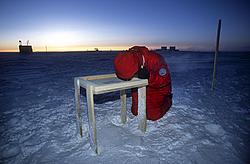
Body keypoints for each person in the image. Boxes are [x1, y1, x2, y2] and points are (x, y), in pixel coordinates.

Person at [114, 46, 172, 121]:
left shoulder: (156, 59)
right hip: (139, 87)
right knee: (136, 112)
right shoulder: (126, 58)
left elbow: (165, 80)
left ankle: (168, 100)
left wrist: (149, 76)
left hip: (157, 88)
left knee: (153, 115)